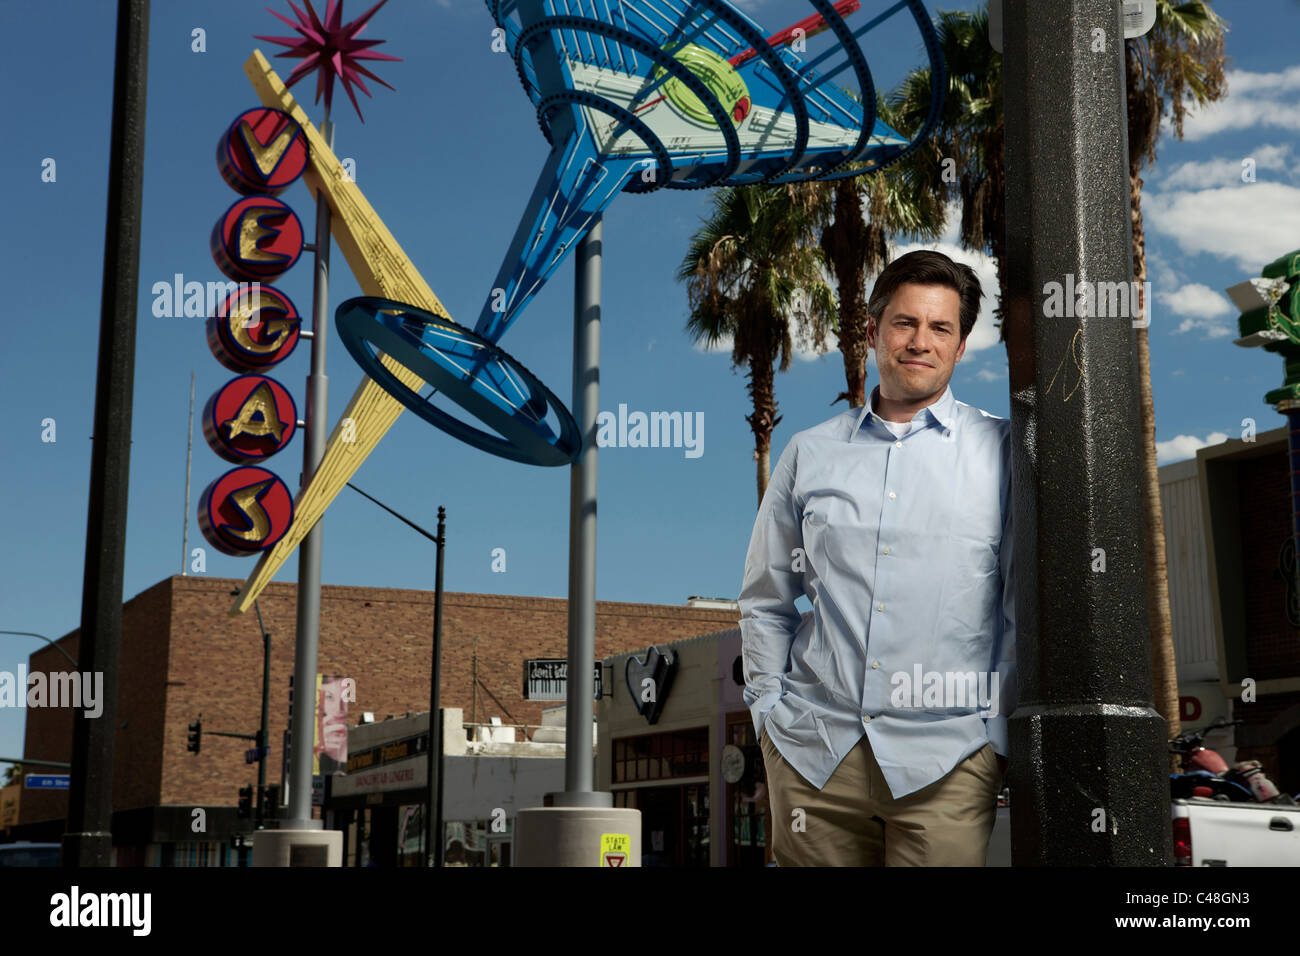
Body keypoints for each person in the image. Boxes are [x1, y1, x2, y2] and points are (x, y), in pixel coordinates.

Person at [738, 249, 1015, 866]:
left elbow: (1017, 609)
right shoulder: (809, 453)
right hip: (815, 758)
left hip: (947, 764)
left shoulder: (1001, 452)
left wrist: (992, 741)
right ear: (873, 331)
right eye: (904, 323)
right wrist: (768, 713)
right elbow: (765, 598)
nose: (920, 341)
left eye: (940, 327)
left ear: (961, 345)